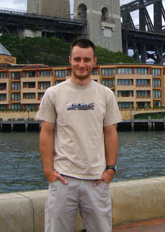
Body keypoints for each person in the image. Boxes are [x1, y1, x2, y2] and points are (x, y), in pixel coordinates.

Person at [38, 38, 122, 232]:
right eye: (77, 59)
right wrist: (48, 171)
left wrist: (110, 169)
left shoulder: (106, 94)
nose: (81, 64)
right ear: (70, 60)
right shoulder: (53, 93)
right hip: (63, 178)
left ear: (94, 61)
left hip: (96, 179)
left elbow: (111, 133)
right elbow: (46, 132)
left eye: (86, 60)